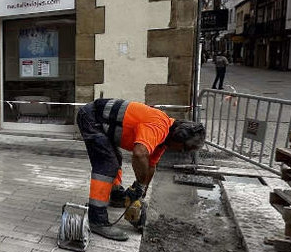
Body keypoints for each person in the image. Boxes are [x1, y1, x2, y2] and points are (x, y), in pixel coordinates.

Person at [77, 99, 206, 240]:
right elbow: (139, 154)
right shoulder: (158, 127)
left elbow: (151, 165)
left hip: (100, 120)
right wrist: (139, 183)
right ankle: (97, 219)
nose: (181, 152)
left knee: (115, 158)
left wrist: (140, 192)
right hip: (91, 118)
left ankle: (115, 195)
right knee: (107, 163)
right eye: (184, 148)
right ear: (178, 138)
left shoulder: (165, 139)